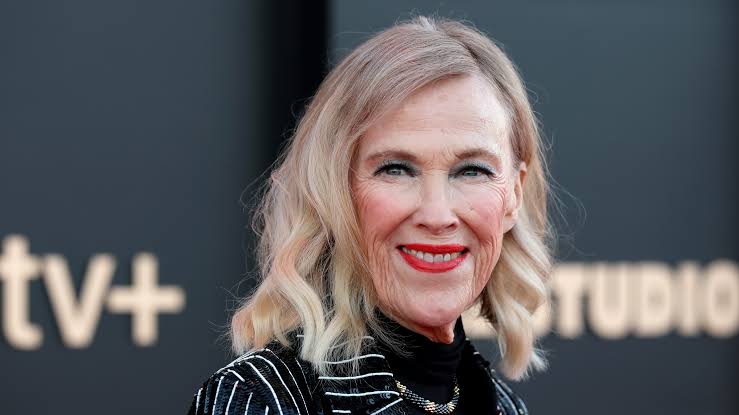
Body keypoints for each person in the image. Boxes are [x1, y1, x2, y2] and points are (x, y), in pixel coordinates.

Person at [188, 15, 552, 415]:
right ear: (336, 190)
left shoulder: (504, 407)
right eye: (396, 169)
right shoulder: (262, 398)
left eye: (472, 171)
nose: (437, 215)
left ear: (514, 194)